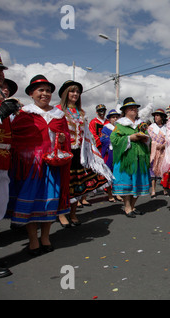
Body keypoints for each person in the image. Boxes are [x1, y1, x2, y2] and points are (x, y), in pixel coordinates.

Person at [8, 75, 71, 256]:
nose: (45, 94)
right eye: (40, 90)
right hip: (31, 167)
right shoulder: (24, 114)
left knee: (49, 202)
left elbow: (65, 137)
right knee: (32, 203)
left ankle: (45, 236)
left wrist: (62, 139)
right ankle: (33, 239)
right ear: (31, 93)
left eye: (48, 91)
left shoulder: (59, 115)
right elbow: (15, 138)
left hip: (52, 165)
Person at [56, 80, 112, 227]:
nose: (75, 94)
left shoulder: (80, 113)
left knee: (78, 184)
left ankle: (73, 214)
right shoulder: (57, 111)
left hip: (79, 152)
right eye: (72, 91)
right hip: (64, 152)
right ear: (65, 93)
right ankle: (62, 213)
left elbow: (86, 134)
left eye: (77, 92)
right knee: (64, 184)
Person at [0, 47, 21, 278]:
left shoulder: (0, 95)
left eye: (1, 69)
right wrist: (0, 112)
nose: (0, 73)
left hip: (2, 158)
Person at [110, 97, 150, 217]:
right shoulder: (120, 125)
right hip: (126, 159)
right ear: (125, 110)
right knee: (127, 182)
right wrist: (130, 138)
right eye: (130, 108)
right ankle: (127, 207)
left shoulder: (141, 124)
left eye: (135, 108)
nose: (134, 109)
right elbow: (114, 140)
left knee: (138, 182)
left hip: (140, 158)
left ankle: (132, 206)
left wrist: (145, 139)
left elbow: (148, 138)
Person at [100, 109, 121, 202]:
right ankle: (110, 194)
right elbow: (103, 139)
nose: (115, 119)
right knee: (109, 173)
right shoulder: (106, 128)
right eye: (113, 117)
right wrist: (113, 140)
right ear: (109, 119)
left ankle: (117, 193)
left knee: (118, 173)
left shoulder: (120, 128)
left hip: (119, 152)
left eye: (116, 117)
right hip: (110, 152)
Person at [147, 108, 168, 198]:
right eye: (155, 115)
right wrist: (155, 145)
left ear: (162, 117)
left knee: (164, 170)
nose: (156, 117)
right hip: (154, 151)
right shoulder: (151, 127)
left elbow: (169, 139)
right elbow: (148, 139)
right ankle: (153, 190)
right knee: (153, 170)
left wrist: (163, 145)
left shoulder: (166, 128)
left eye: (158, 115)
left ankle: (165, 189)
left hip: (163, 151)